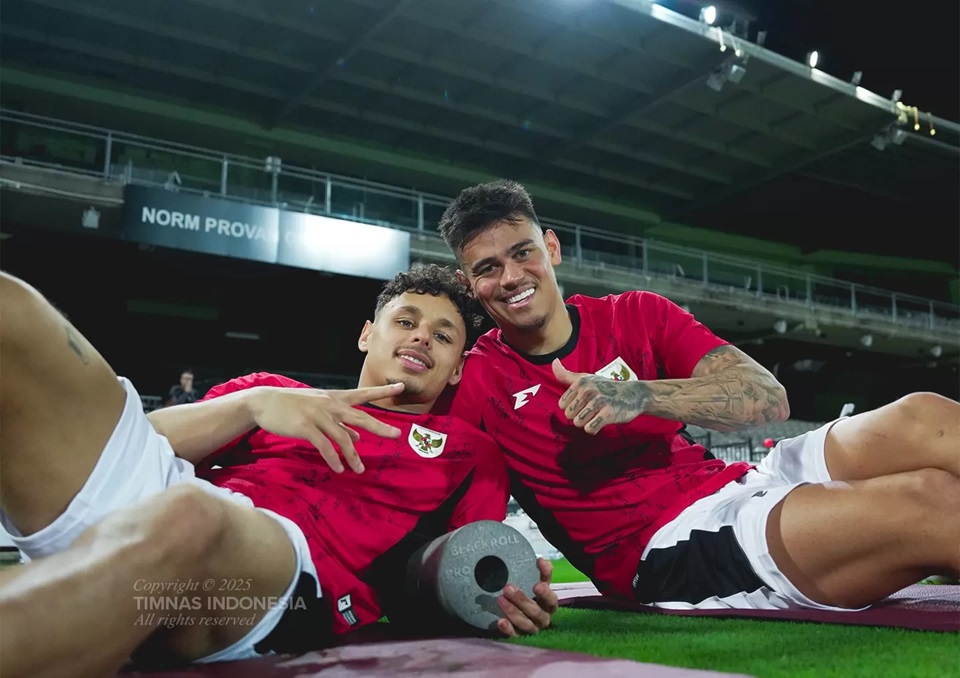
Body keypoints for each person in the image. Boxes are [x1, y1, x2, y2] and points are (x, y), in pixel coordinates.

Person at [0, 264, 557, 678]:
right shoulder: (273, 391)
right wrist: (252, 405)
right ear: (367, 334)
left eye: (443, 336)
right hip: (165, 506)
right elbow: (146, 442)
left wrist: (509, 597)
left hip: (281, 578)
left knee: (193, 515)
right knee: (13, 305)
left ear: (457, 368)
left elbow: (462, 569)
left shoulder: (469, 452)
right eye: (406, 322)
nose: (420, 337)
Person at [428, 178, 959, 613]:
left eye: (522, 253)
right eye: (487, 269)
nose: (511, 277)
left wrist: (640, 395)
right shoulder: (476, 378)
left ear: (551, 247)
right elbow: (412, 466)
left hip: (741, 482)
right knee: (929, 501)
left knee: (924, 415)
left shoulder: (636, 313)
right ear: (468, 284)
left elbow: (768, 398)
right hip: (668, 546)